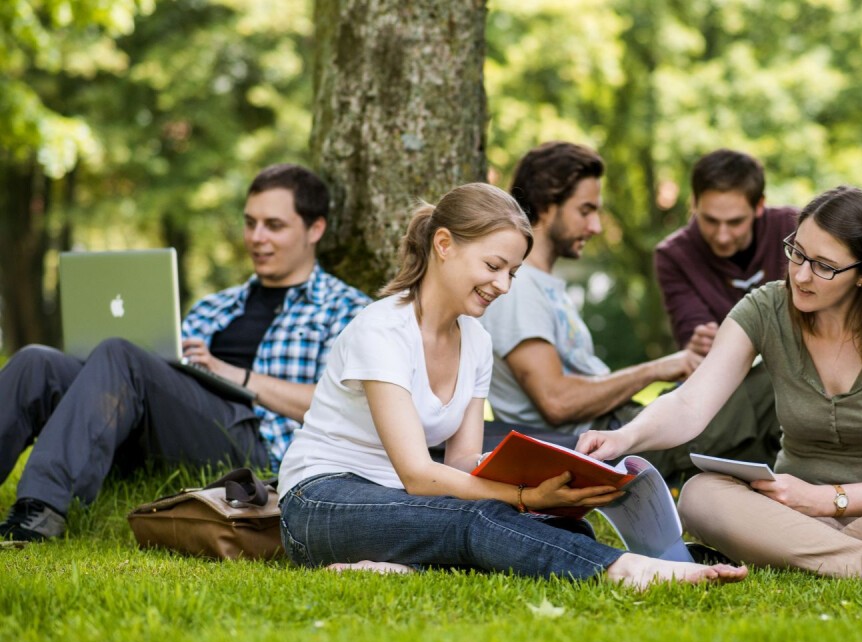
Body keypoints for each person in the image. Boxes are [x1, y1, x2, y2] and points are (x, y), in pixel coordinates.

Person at [276, 183, 747, 589]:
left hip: (401, 502)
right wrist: (522, 498)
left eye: (513, 273)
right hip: (322, 501)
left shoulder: (476, 340)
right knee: (482, 519)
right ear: (444, 244)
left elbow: (461, 464)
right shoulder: (381, 330)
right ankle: (627, 571)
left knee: (562, 529)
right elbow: (420, 475)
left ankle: (404, 567)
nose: (503, 285)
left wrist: (539, 483)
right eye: (494, 266)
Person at [578, 186, 862, 583]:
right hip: (785, 511)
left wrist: (827, 501)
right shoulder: (765, 308)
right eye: (796, 253)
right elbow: (691, 403)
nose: (801, 276)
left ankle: (778, 552)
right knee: (699, 494)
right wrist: (625, 437)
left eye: (823, 266)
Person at [0, 164, 369, 542]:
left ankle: (38, 512)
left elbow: (339, 407)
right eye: (250, 223)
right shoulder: (215, 306)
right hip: (172, 429)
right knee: (37, 363)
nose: (256, 237)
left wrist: (231, 374)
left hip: (255, 443)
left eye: (273, 225)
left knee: (120, 355)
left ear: (315, 229)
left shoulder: (347, 310)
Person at [481, 142, 775, 482]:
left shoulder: (543, 286)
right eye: (586, 210)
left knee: (777, 423)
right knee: (774, 379)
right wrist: (659, 367)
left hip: (623, 425)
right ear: (548, 205)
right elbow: (556, 402)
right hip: (604, 443)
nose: (596, 227)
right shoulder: (520, 288)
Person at [652, 149, 792, 459]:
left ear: (759, 206)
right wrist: (703, 339)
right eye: (710, 220)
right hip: (728, 389)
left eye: (735, 222)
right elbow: (699, 347)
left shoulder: (795, 230)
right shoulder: (674, 256)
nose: (723, 235)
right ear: (694, 205)